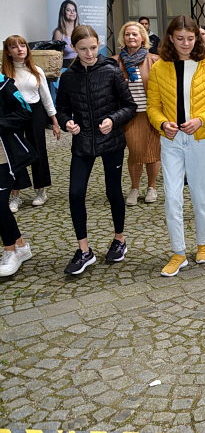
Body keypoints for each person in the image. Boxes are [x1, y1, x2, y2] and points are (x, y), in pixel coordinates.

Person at [147, 15, 205, 277]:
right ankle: (178, 252)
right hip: (171, 140)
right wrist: (163, 124)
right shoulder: (159, 67)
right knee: (172, 196)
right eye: (180, 38)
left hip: (200, 139)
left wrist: (201, 120)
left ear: (197, 38)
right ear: (170, 38)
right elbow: (153, 107)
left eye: (190, 38)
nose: (185, 43)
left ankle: (203, 244)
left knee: (200, 194)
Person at [56, 25, 137, 275]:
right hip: (83, 143)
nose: (89, 53)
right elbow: (61, 109)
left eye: (93, 47)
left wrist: (113, 119)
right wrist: (67, 122)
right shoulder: (68, 77)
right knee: (75, 193)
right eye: (83, 49)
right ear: (73, 48)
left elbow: (130, 106)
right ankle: (84, 251)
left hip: (111, 141)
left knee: (113, 191)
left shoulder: (111, 71)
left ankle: (119, 239)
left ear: (99, 43)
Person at [2, 35, 61, 211]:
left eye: (22, 45)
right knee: (14, 153)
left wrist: (54, 121)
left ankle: (40, 191)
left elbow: (46, 97)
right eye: (14, 47)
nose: (20, 49)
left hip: (35, 112)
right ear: (8, 52)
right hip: (13, 114)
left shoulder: (36, 70)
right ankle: (15, 195)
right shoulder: (5, 72)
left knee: (38, 149)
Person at [112, 21, 161, 206]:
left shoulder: (155, 60)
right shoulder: (115, 61)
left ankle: (152, 187)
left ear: (143, 38)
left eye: (135, 34)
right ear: (123, 38)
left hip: (150, 114)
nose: (131, 37)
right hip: (128, 115)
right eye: (127, 34)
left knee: (153, 152)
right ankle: (134, 188)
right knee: (135, 152)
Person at [0, 73, 36, 278]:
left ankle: (10, 251)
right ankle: (20, 246)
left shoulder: (4, 85)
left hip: (3, 157)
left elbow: (25, 112)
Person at [52, 0, 80, 67]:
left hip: (81, 63)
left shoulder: (80, 30)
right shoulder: (58, 33)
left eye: (74, 10)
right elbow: (55, 55)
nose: (72, 12)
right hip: (66, 66)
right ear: (63, 12)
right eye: (68, 10)